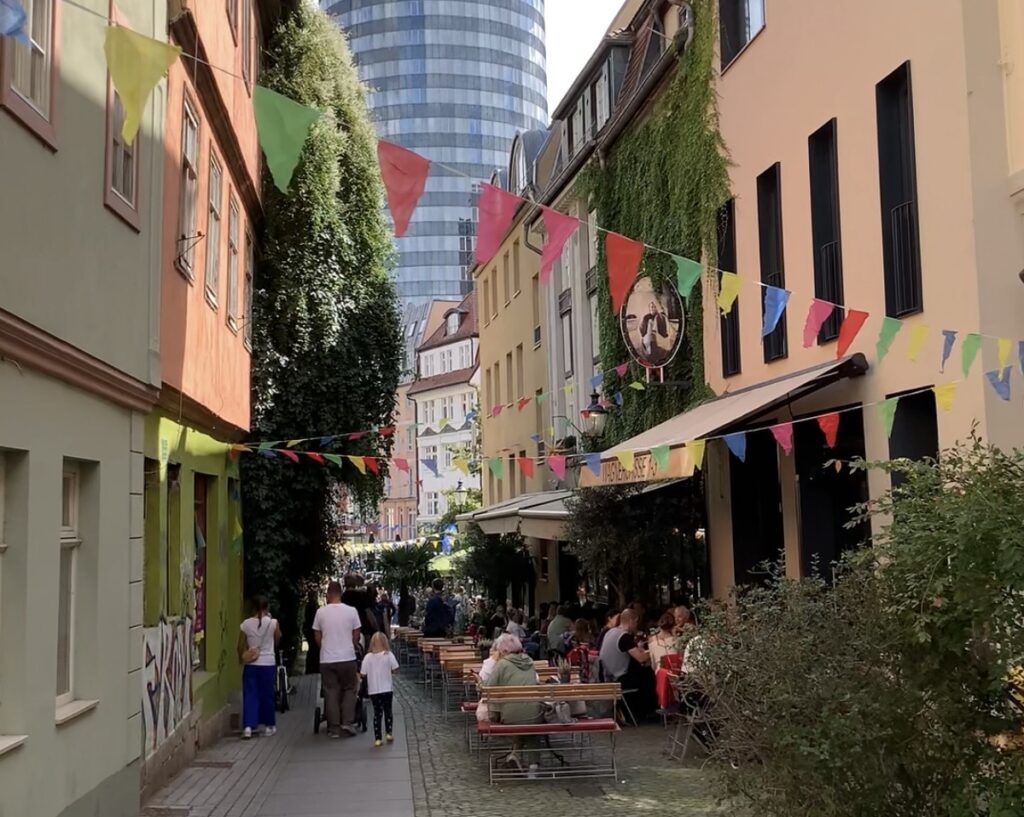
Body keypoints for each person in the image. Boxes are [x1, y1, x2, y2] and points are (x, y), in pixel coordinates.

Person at [484, 634, 542, 771]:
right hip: (535, 714)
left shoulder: (502, 664)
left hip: (511, 717)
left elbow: (488, 688)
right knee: (529, 722)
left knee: (518, 716)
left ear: (504, 651)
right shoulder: (529, 661)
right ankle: (532, 764)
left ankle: (515, 755)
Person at [313, 581, 362, 738]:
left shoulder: (320, 613)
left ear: (328, 594)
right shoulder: (352, 611)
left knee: (331, 691)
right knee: (350, 688)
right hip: (347, 657)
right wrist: (350, 644)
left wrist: (325, 646)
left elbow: (317, 636)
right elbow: (356, 633)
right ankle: (347, 722)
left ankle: (333, 728)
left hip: (327, 658)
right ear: (341, 593)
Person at [599, 608, 656, 721]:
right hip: (620, 677)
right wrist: (654, 649)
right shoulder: (624, 637)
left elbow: (628, 650)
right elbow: (641, 658)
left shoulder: (611, 632)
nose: (636, 625)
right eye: (635, 622)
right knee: (649, 675)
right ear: (630, 621)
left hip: (608, 674)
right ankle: (647, 712)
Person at [238, 597, 281, 739]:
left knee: (250, 695)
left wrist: (243, 657)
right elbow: (277, 639)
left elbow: (240, 645)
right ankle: (269, 725)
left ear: (253, 608)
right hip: (268, 663)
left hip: (251, 665)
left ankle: (249, 727)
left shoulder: (245, 624)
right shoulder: (273, 623)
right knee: (267, 695)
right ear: (267, 607)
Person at [359, 632, 399, 747]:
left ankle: (378, 738)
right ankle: (389, 733)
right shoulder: (388, 655)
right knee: (388, 711)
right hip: (387, 688)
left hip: (374, 690)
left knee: (377, 713)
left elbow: (363, 673)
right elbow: (396, 668)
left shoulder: (368, 657)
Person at [342, 573, 379, 645]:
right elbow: (368, 612)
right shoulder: (362, 596)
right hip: (363, 629)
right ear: (355, 583)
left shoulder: (342, 598)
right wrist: (375, 627)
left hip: (347, 631)